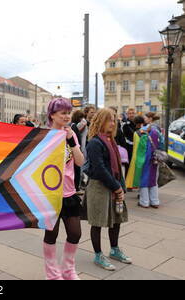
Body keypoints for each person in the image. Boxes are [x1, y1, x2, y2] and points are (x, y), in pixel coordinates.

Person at [42, 98, 85, 280]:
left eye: (69, 113)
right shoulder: (44, 136)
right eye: (63, 113)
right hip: (50, 195)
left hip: (69, 193)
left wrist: (71, 141)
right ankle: (52, 275)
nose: (67, 116)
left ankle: (68, 270)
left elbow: (80, 161)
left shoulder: (71, 134)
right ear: (52, 115)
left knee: (75, 233)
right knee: (52, 234)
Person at [85, 108, 131, 271]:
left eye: (114, 120)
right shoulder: (95, 142)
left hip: (114, 185)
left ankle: (114, 249)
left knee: (116, 220)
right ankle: (98, 254)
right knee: (97, 222)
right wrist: (117, 187)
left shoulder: (111, 140)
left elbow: (117, 167)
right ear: (100, 122)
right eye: (109, 120)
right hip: (99, 187)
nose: (113, 123)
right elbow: (100, 169)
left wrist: (121, 188)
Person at [137, 112, 164, 209]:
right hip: (156, 157)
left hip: (146, 157)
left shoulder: (146, 129)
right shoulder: (158, 129)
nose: (144, 119)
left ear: (150, 118)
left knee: (144, 179)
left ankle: (144, 201)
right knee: (153, 180)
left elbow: (142, 145)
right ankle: (155, 201)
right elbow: (161, 144)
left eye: (145, 117)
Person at [70, 110, 87, 194]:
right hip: (77, 150)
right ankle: (76, 188)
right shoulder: (74, 126)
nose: (82, 119)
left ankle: (76, 187)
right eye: (81, 117)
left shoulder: (72, 126)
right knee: (77, 169)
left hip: (77, 149)